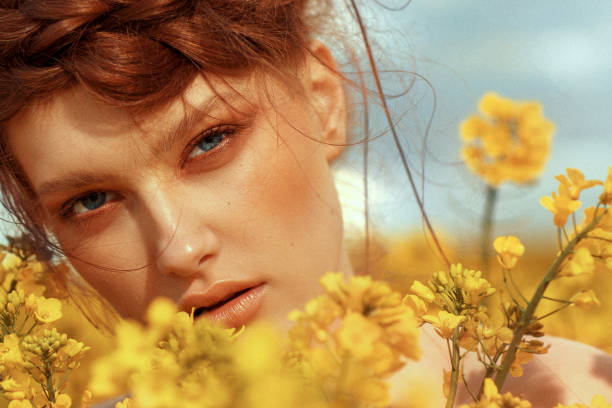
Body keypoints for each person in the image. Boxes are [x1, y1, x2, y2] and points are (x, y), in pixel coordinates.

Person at [0, 1, 610, 406]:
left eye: (210, 141)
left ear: (323, 102)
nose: (180, 249)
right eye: (91, 201)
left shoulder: (562, 391)